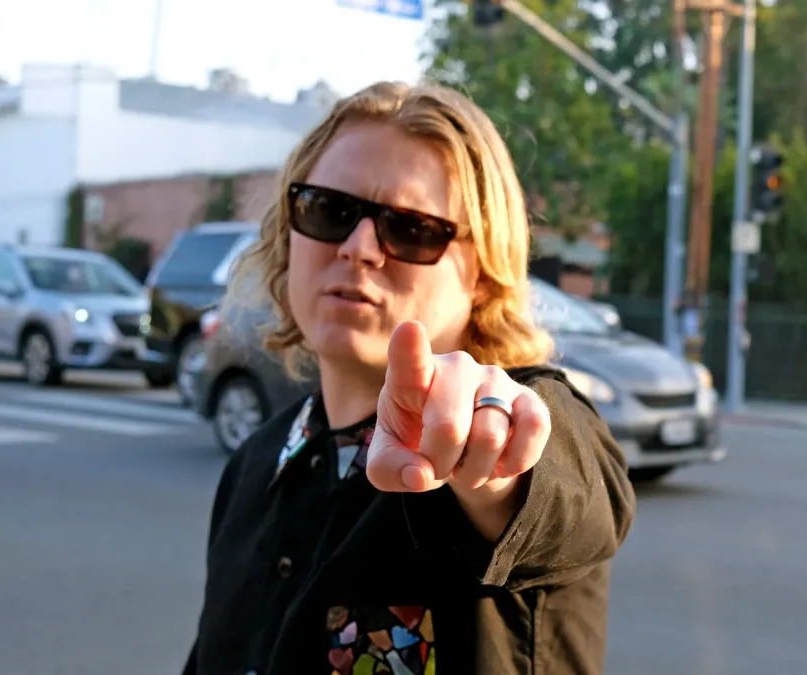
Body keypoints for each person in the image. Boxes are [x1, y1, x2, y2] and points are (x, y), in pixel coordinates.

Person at [181, 81, 634, 675]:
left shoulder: (511, 418)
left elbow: (576, 492)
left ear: (482, 272)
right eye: (329, 210)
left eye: (412, 228)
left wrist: (494, 457)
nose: (360, 247)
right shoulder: (254, 464)